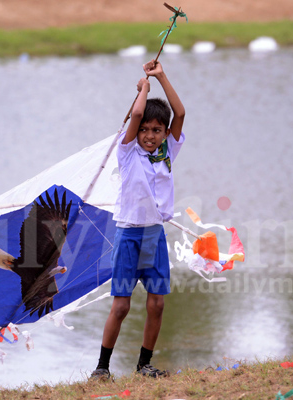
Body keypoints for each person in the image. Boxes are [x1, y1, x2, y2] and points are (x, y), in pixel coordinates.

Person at [91, 59, 185, 380]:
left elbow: (180, 113)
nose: (149, 135)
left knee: (156, 304)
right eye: (144, 129)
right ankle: (102, 368)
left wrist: (161, 77)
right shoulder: (127, 152)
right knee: (121, 307)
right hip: (128, 236)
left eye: (156, 130)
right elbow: (135, 114)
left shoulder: (167, 152)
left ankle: (144, 365)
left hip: (154, 236)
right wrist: (144, 89)